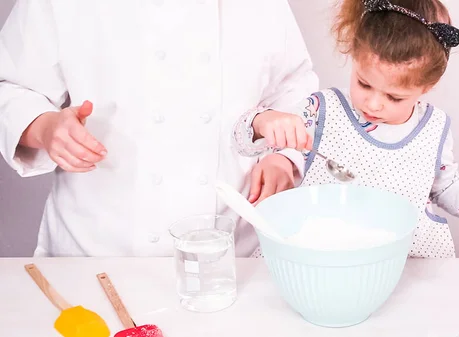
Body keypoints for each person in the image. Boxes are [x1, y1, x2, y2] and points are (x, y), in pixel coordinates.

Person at [0, 0, 317, 257]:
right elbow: (9, 88)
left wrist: (282, 157)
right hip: (97, 256)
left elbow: (294, 88)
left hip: (230, 259)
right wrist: (46, 128)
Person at [234, 0, 459, 258]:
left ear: (425, 87)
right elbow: (245, 139)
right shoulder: (322, 111)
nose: (374, 104)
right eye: (364, 83)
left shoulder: (434, 128)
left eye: (394, 97)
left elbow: (445, 186)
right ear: (354, 58)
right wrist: (264, 123)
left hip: (406, 264)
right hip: (327, 259)